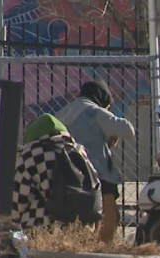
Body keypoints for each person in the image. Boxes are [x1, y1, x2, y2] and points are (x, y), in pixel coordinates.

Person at [56, 80, 135, 243]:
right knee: (108, 219)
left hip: (68, 176)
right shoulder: (95, 111)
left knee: (78, 224)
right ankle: (103, 250)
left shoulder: (63, 112)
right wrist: (111, 126)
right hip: (99, 177)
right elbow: (128, 130)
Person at [10, 113, 100, 231]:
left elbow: (18, 202)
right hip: (82, 228)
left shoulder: (31, 156)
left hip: (44, 229)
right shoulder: (79, 151)